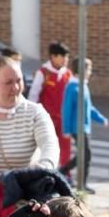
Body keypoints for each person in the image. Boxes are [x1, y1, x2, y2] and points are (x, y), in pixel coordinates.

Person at [61, 57, 109, 194]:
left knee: (84, 155)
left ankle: (65, 173)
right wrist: (66, 129)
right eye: (89, 69)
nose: (90, 72)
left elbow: (89, 108)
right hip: (77, 128)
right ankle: (79, 182)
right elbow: (66, 109)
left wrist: (101, 119)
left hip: (85, 127)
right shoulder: (72, 87)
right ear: (82, 70)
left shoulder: (84, 86)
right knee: (86, 155)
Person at [29, 41, 73, 169]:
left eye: (67, 57)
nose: (66, 60)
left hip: (64, 119)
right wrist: (31, 115)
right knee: (46, 145)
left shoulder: (68, 74)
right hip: (47, 118)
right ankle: (44, 170)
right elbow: (34, 94)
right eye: (63, 56)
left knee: (65, 147)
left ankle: (65, 172)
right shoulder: (43, 73)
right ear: (53, 57)